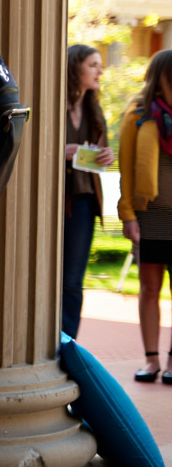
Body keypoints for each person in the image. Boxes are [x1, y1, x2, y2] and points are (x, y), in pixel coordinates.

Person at [118, 49, 172, 383]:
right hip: (150, 215)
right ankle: (151, 360)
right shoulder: (138, 112)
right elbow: (125, 166)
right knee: (149, 287)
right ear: (162, 75)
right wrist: (128, 215)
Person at [62, 44, 114, 339]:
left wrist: (104, 157)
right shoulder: (54, 103)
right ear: (76, 67)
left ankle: (68, 345)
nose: (100, 71)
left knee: (72, 281)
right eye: (93, 65)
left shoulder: (95, 109)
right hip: (53, 200)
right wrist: (61, 152)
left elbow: (99, 156)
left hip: (83, 202)